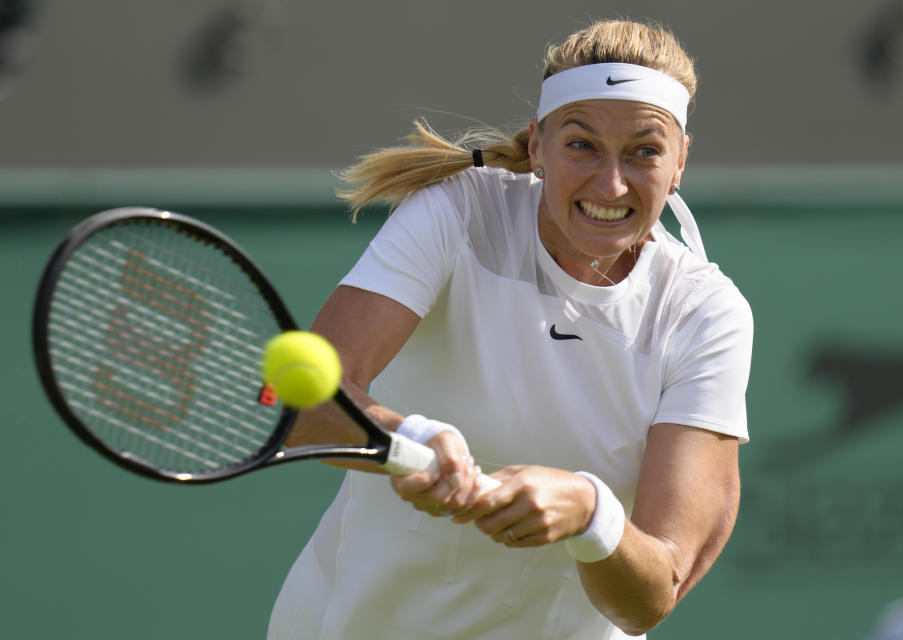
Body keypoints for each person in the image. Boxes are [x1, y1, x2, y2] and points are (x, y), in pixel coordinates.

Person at [268, 18, 753, 640]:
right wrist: (408, 436)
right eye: (581, 144)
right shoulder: (457, 210)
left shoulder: (705, 313)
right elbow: (306, 407)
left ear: (680, 159)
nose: (611, 183)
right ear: (536, 147)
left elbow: (651, 595)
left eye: (645, 151)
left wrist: (589, 511)